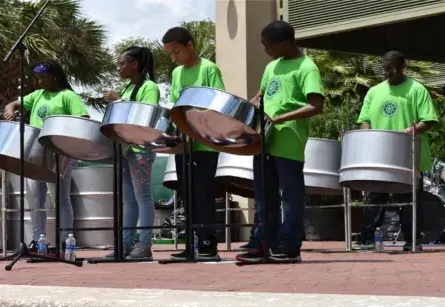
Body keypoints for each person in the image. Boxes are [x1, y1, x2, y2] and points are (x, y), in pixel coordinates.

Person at [235, 20, 325, 263]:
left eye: (268, 45)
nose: (266, 50)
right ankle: (264, 241)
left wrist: (280, 118)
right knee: (264, 196)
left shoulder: (307, 67)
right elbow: (261, 95)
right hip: (264, 140)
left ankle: (289, 244)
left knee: (290, 196)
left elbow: (316, 105)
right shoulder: (272, 66)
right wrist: (247, 105)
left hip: (288, 140)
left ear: (284, 43)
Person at [352, 50, 438, 252]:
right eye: (384, 69)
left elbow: (429, 120)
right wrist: (368, 137)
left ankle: (412, 241)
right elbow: (364, 119)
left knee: (409, 201)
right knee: (374, 200)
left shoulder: (416, 89)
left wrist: (409, 131)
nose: (387, 73)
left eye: (391, 68)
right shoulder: (374, 91)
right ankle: (367, 240)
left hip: (408, 156)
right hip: (379, 156)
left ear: (402, 67)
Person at [3, 59, 89, 254]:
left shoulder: (67, 96)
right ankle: (37, 241)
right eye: (37, 78)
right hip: (34, 152)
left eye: (43, 78)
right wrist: (9, 111)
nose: (39, 82)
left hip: (58, 153)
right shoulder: (37, 95)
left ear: (55, 76)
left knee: (61, 199)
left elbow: (82, 119)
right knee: (35, 200)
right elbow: (13, 104)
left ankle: (65, 240)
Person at [162, 26, 226, 260]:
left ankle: (208, 245)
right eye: (170, 54)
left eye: (176, 52)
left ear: (190, 46)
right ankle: (190, 244)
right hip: (184, 144)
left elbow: (217, 103)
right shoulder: (177, 73)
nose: (173, 57)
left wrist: (196, 125)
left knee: (203, 194)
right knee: (186, 195)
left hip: (204, 143)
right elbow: (175, 104)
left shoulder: (209, 69)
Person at [102, 46, 160, 260]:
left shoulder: (149, 87)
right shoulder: (127, 89)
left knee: (143, 197)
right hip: (126, 149)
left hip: (141, 149)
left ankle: (144, 244)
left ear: (135, 64)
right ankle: (125, 244)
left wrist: (118, 101)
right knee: (128, 200)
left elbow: (146, 115)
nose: (119, 68)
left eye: (122, 63)